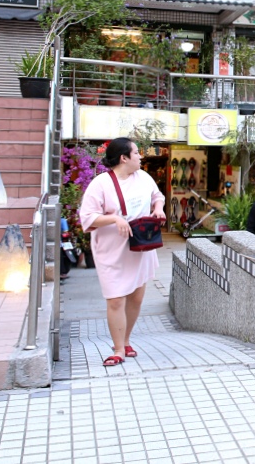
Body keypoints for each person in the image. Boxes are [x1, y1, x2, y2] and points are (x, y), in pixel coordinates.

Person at [78, 137, 165, 367]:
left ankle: (126, 341)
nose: (140, 156)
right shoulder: (101, 183)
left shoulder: (144, 177)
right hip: (112, 250)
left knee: (136, 297)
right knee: (116, 299)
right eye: (136, 153)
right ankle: (117, 350)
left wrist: (158, 209)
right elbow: (87, 217)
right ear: (123, 158)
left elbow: (158, 197)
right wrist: (115, 218)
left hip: (140, 245)